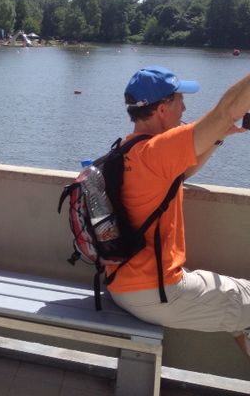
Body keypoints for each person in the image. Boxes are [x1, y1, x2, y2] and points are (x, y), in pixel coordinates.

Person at [107, 66, 250, 358]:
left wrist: (219, 136)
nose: (185, 106)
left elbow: (183, 172)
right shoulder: (157, 150)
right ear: (162, 108)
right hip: (158, 292)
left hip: (122, 285)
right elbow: (225, 110)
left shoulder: (127, 149)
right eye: (179, 100)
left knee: (238, 305)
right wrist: (221, 122)